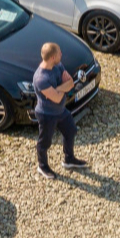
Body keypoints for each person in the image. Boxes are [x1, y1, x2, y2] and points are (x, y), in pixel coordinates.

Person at [33, 42, 87, 179]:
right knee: (44, 142)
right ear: (52, 57)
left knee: (71, 131)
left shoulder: (58, 65)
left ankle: (69, 159)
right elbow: (57, 97)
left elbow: (70, 83)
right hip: (47, 114)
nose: (61, 55)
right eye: (59, 53)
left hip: (61, 111)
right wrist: (64, 87)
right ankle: (42, 166)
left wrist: (59, 88)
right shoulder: (41, 79)